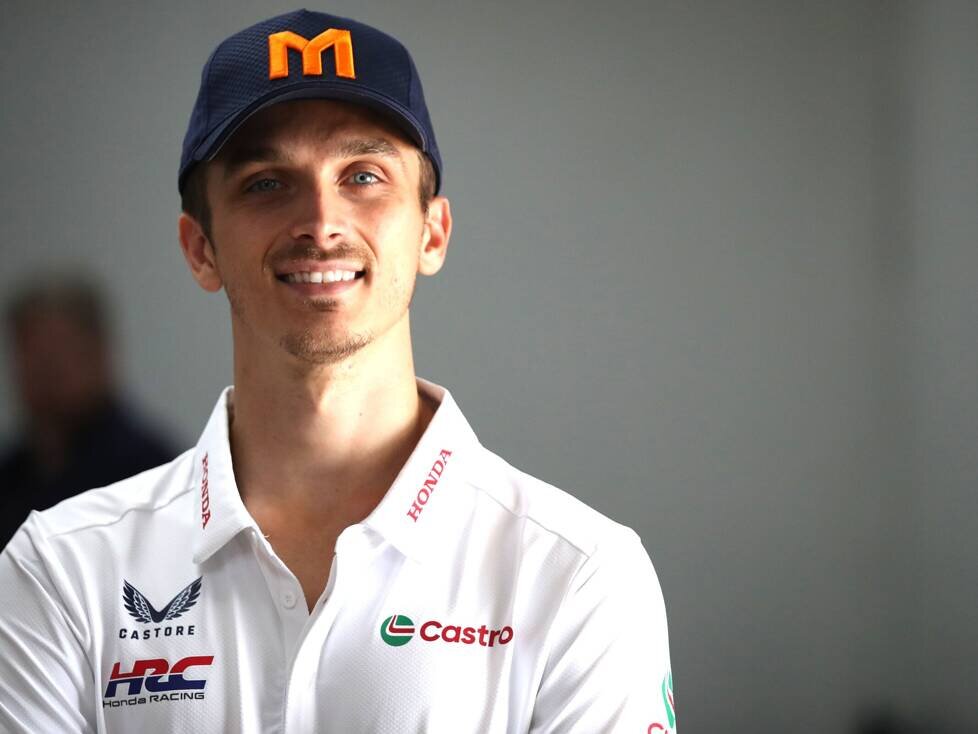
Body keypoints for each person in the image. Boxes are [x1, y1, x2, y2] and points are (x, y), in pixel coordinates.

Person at [0, 10, 676, 733]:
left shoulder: (578, 575)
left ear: (432, 231)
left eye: (363, 176)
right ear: (200, 249)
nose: (321, 221)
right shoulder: (61, 569)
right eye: (266, 183)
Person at [0, 279, 176, 549]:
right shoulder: (11, 477)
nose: (43, 372)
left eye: (56, 355)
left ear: (99, 352)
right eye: (30, 355)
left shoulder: (150, 471)